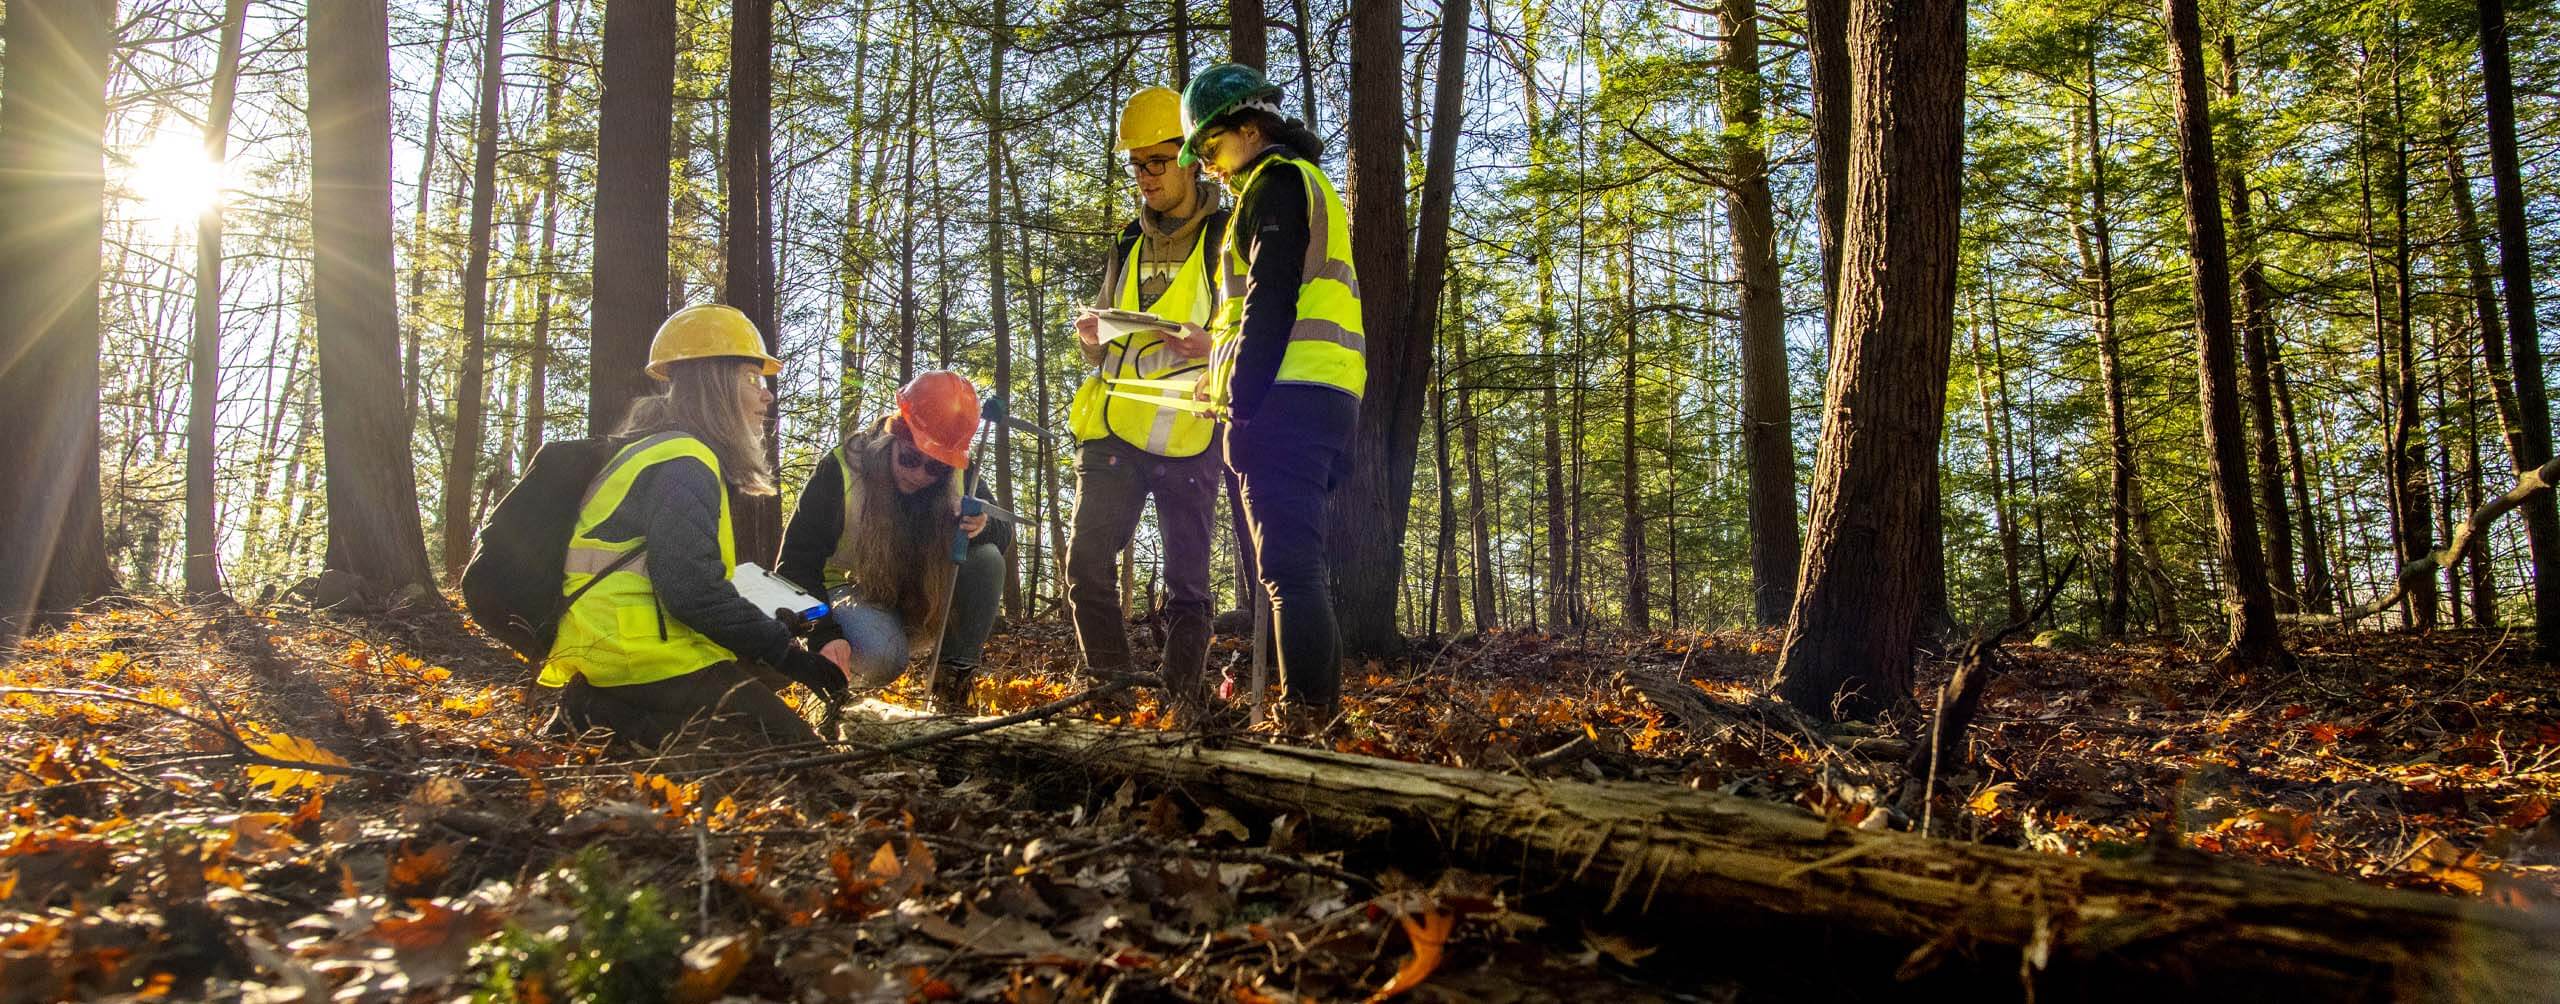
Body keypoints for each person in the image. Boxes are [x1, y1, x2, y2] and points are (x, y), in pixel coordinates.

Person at [541, 304, 850, 753]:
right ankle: (609, 715)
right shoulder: (684, 463)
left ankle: (601, 708)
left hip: (618, 652)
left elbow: (680, 576)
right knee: (803, 756)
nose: (767, 396)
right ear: (720, 384)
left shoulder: (663, 449)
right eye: (754, 379)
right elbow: (691, 590)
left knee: (762, 682)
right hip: (647, 659)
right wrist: (791, 657)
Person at [1176, 64, 1366, 734]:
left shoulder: (1273, 183)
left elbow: (1272, 299)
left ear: (1248, 130)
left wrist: (1244, 403)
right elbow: (1268, 309)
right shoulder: (1307, 183)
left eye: (1209, 148)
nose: (1207, 166)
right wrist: (1220, 374)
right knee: (1297, 566)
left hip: (1286, 400)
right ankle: (1311, 711)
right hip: (1325, 395)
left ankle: (1306, 719)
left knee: (1287, 569)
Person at [1062, 85, 1231, 722]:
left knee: (1189, 587)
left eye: (1156, 162)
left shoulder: (1227, 235)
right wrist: (1091, 340)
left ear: (1190, 158)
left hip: (1191, 431)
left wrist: (1210, 343)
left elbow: (1257, 329)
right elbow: (1106, 345)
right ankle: (1110, 698)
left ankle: (1181, 706)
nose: (1145, 177)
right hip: (1114, 426)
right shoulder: (1128, 240)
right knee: (1085, 565)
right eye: (1135, 165)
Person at [779, 370, 1009, 713]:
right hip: (845, 597)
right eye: (910, 458)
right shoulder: (843, 469)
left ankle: (952, 688)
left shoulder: (961, 476)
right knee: (883, 653)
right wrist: (823, 633)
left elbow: (1002, 536)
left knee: (987, 558)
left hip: (916, 601)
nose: (919, 475)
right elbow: (794, 564)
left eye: (935, 469)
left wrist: (982, 524)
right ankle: (831, 695)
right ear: (893, 436)